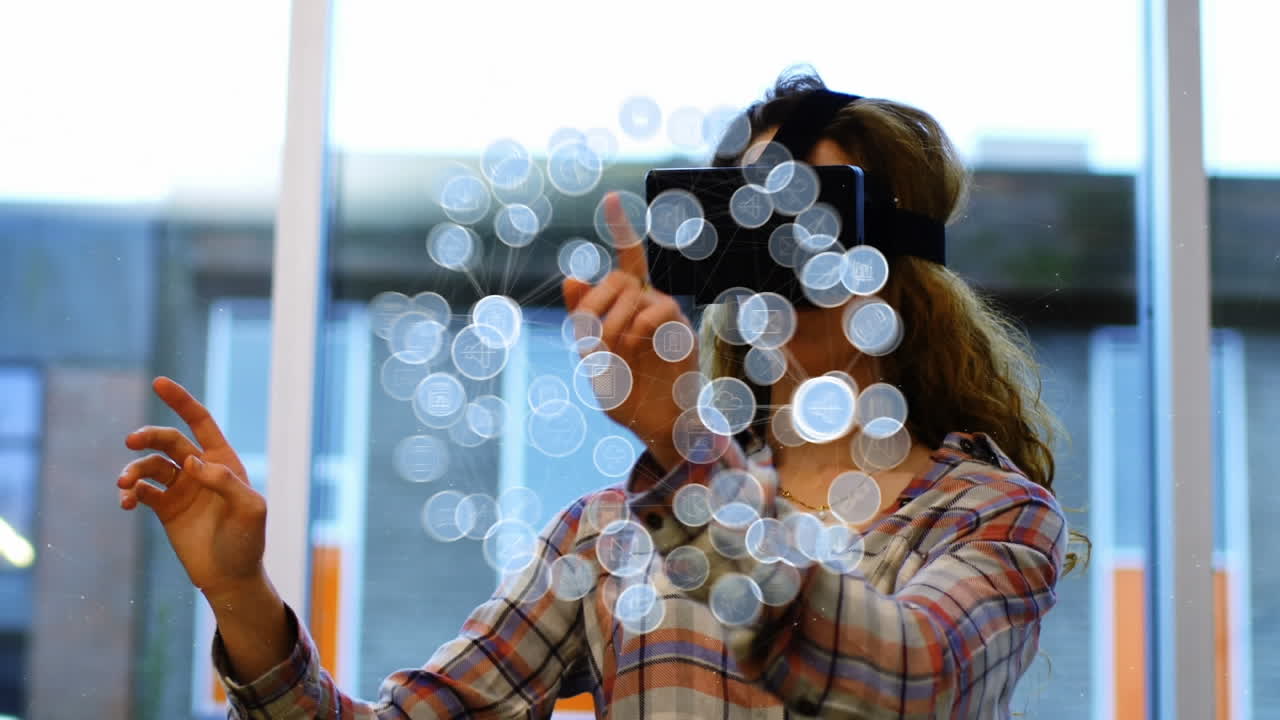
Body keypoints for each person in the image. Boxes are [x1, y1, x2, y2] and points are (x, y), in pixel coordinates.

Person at [115, 72, 1080, 719]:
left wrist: (687, 450)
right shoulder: (610, 535)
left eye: (802, 218)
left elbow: (907, 679)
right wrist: (242, 596)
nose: (767, 257)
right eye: (739, 218)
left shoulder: (990, 517)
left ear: (894, 264)